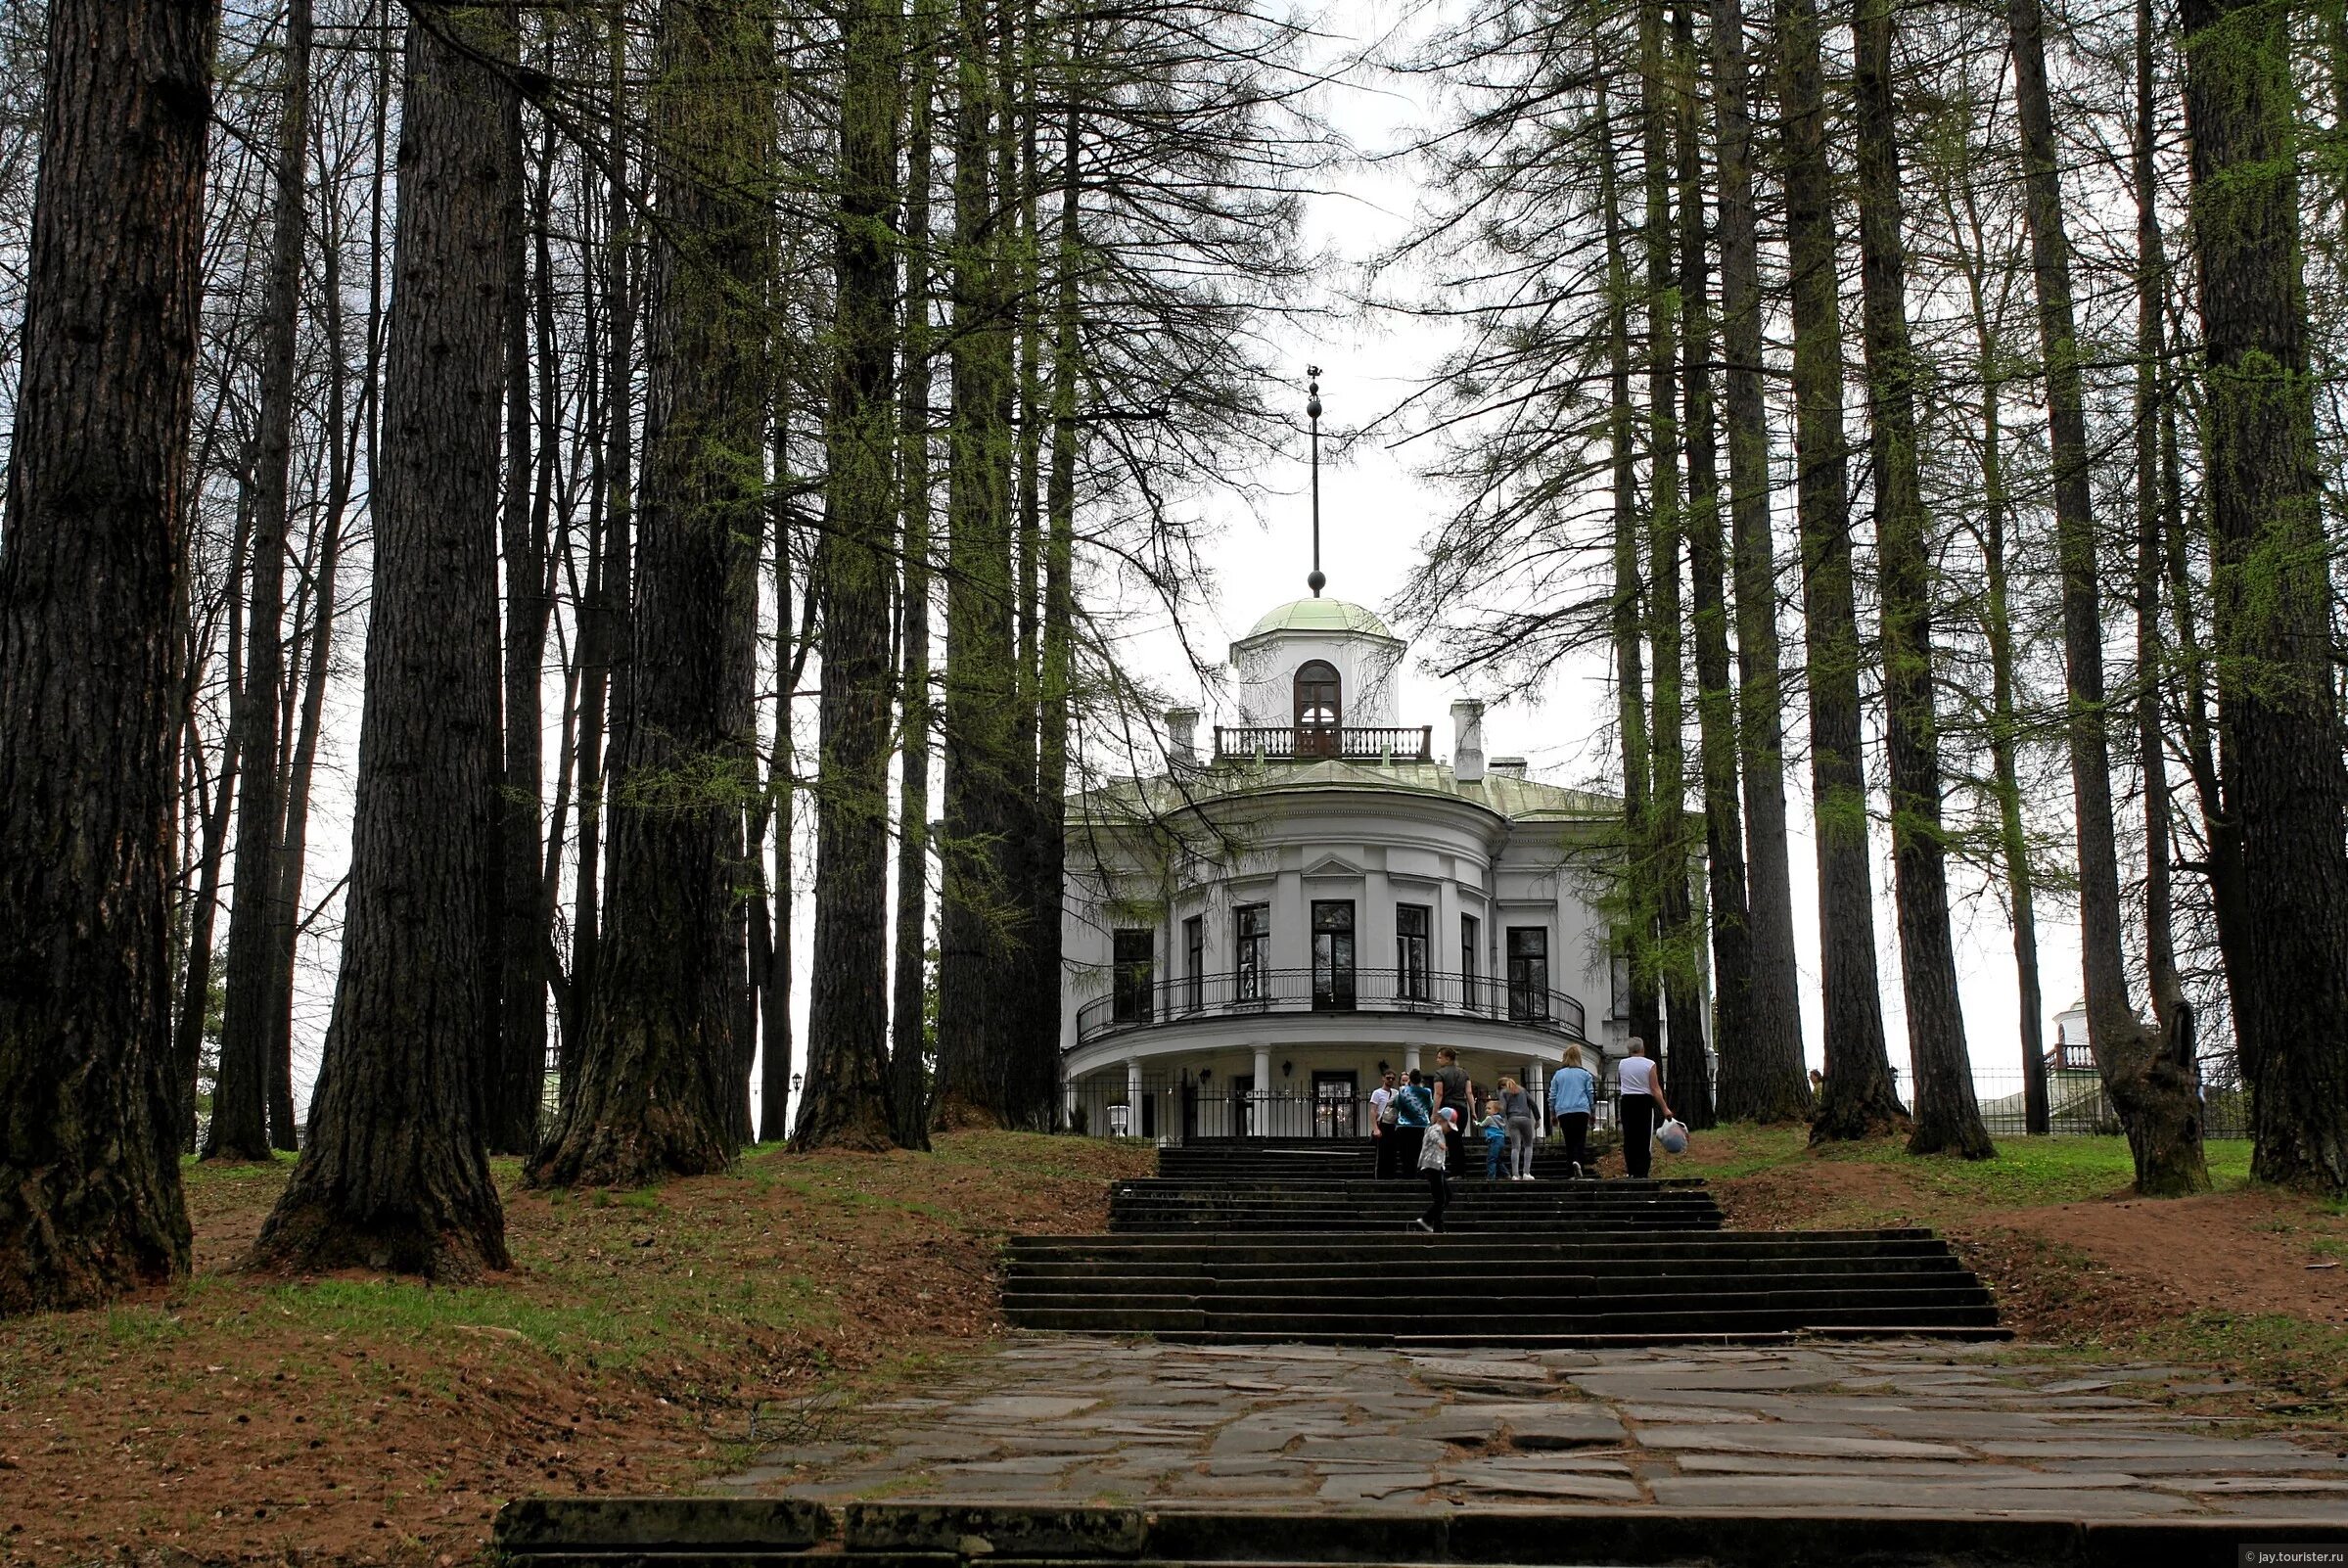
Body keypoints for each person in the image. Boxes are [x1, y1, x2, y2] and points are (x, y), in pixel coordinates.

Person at [1616, 1037, 1674, 1180]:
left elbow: (1620, 1082)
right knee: (1644, 1135)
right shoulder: (1650, 1064)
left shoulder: (1622, 1063)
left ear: (1629, 1050)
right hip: (1643, 1101)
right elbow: (1655, 1088)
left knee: (1629, 1137)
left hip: (1627, 1101)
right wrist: (1665, 1108)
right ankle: (1642, 1171)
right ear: (1642, 1048)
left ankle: (1631, 1170)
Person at [1548, 1044, 1596, 1177]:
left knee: (1569, 1140)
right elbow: (1590, 1093)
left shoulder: (1558, 1075)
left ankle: (1570, 1169)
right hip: (1581, 1109)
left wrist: (1553, 1113)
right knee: (1580, 1139)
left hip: (1563, 1111)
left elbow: (1552, 1095)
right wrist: (1592, 1112)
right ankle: (1578, 1162)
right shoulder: (1585, 1074)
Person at [1430, 1048, 1472, 1176]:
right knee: (1457, 1139)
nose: (1437, 1060)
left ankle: (1456, 1171)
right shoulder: (1464, 1073)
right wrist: (1473, 1110)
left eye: (1439, 1057)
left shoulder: (1439, 1073)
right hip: (1462, 1109)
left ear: (1447, 1058)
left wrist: (1434, 1112)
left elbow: (1439, 1093)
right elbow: (1469, 1093)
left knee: (1451, 1140)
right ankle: (1460, 1170)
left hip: (1448, 1109)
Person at [1415, 1106, 1456, 1231]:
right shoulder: (1435, 1128)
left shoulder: (1439, 1130)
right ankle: (1426, 1220)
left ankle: (1437, 1225)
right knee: (1441, 1198)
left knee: (1447, 1196)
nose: (1449, 1130)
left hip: (1437, 1166)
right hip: (1432, 1166)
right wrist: (1440, 1143)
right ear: (1441, 1120)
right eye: (1448, 1126)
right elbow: (1433, 1135)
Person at [1392, 1069, 1434, 1183]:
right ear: (1421, 1079)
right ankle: (1421, 1173)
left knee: (1406, 1153)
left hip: (1404, 1125)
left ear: (1410, 1079)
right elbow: (1430, 1105)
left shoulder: (1403, 1091)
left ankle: (1409, 1175)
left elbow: (1398, 1105)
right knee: (1420, 1151)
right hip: (1421, 1125)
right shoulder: (1427, 1092)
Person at [1497, 1074, 1540, 1180]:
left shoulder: (1503, 1092)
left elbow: (1503, 1107)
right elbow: (1533, 1104)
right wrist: (1538, 1119)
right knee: (1528, 1146)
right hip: (1526, 1119)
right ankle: (1526, 1173)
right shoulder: (1523, 1090)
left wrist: (1501, 1119)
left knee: (1515, 1147)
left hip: (1513, 1119)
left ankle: (1515, 1175)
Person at [1369, 1070, 1400, 1178]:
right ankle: (1380, 1176)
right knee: (1382, 1153)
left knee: (1392, 1152)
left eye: (1392, 1078)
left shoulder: (1396, 1093)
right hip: (1382, 1124)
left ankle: (1391, 1175)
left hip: (1392, 1124)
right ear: (1383, 1078)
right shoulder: (1377, 1093)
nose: (1390, 1080)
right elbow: (1373, 1111)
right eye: (1388, 1078)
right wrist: (1375, 1128)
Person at [1479, 1105, 1509, 1179]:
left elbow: (1481, 1125)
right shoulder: (1500, 1119)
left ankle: (1491, 1177)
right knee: (1497, 1159)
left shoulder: (1489, 1118)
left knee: (1491, 1159)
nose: (1486, 1110)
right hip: (1501, 1140)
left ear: (1495, 1111)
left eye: (1489, 1108)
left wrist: (1475, 1122)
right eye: (1486, 1108)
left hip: (1494, 1140)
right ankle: (1506, 1174)